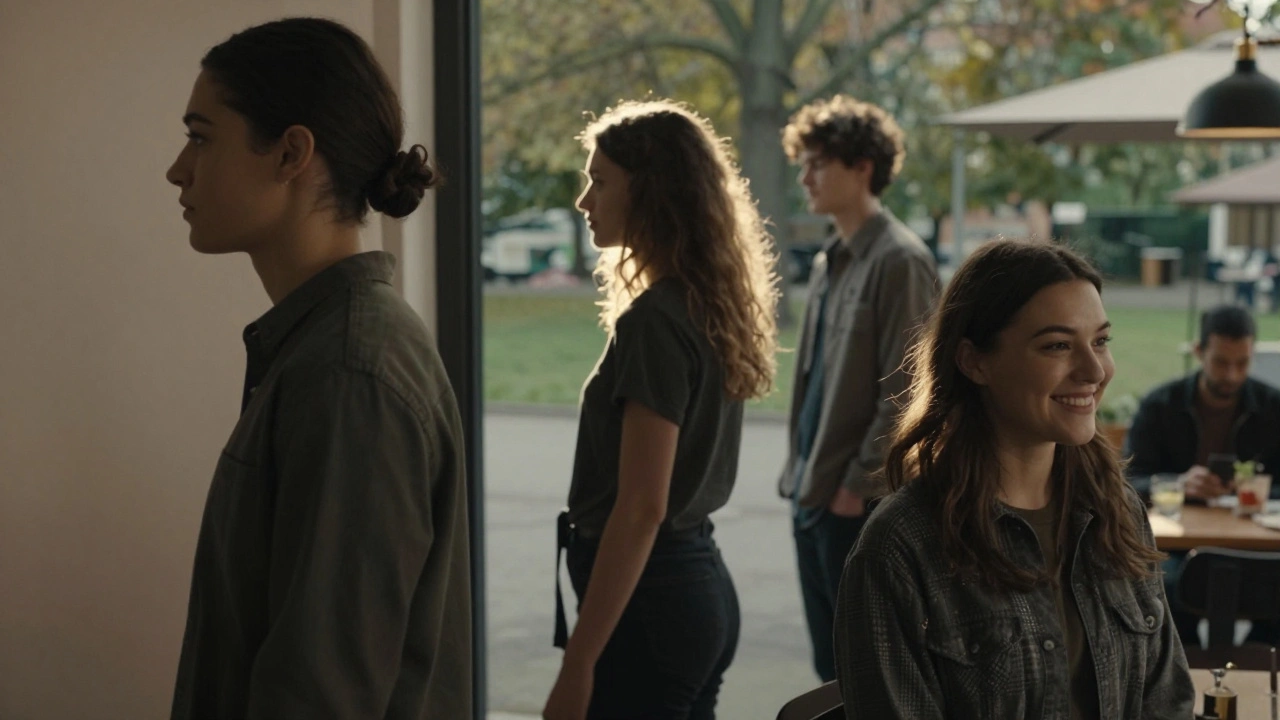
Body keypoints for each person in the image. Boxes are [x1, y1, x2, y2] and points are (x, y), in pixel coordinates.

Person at [165, 18, 470, 720]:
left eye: (201, 136)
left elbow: (323, 695)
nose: (178, 168)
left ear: (291, 153)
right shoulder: (324, 349)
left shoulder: (349, 373)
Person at [834, 239, 1195, 719]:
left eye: (1101, 341)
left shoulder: (1117, 511)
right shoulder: (902, 548)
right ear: (974, 361)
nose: (1094, 370)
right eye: (1057, 346)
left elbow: (1167, 703)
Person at [544, 100, 779, 720]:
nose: (584, 200)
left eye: (599, 181)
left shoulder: (654, 323)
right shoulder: (703, 309)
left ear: (651, 193)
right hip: (694, 588)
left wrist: (578, 663)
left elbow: (643, 507)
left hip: (652, 605)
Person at [777, 94, 939, 681]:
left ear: (862, 167)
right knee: (830, 669)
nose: (805, 176)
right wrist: (804, 479)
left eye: (818, 162)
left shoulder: (900, 260)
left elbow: (910, 388)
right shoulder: (829, 262)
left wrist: (855, 488)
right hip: (812, 494)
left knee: (868, 676)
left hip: (854, 502)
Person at [1126, 303, 1280, 647]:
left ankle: (1252, 665)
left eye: (1242, 363)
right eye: (1221, 362)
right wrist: (1177, 484)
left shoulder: (1273, 407)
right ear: (1199, 352)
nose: (1232, 375)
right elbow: (1126, 480)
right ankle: (1185, 675)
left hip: (1258, 546)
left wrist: (1257, 492)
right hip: (1179, 547)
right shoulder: (1161, 405)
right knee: (1161, 586)